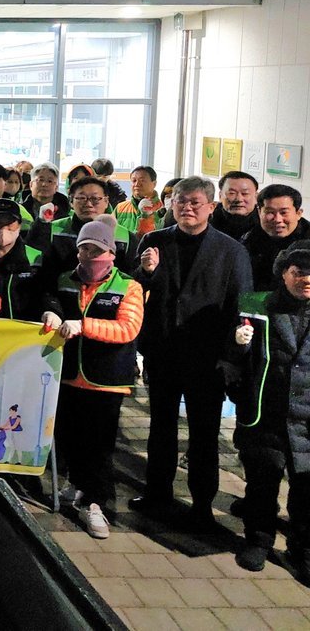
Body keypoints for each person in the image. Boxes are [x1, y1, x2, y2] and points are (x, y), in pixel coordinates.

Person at [131, 176, 253, 529]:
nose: (187, 208)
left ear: (211, 207)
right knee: (161, 427)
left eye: (195, 202)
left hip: (207, 358)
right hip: (163, 352)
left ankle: (202, 506)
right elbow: (134, 288)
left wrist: (231, 356)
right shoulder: (154, 240)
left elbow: (240, 305)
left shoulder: (231, 250)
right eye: (181, 201)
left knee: (204, 434)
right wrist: (146, 271)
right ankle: (157, 494)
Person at [41, 215, 144, 540]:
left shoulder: (128, 286)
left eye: (97, 250)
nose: (90, 256)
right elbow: (53, 302)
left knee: (99, 446)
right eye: (84, 248)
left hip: (106, 380)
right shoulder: (66, 279)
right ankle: (77, 484)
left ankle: (97, 503)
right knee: (70, 437)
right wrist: (51, 311)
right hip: (69, 376)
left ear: (111, 252)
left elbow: (128, 328)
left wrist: (84, 326)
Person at [229, 240, 310, 577]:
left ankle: (302, 549)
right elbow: (235, 356)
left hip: (306, 419)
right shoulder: (257, 305)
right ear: (284, 273)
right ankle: (258, 540)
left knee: (306, 489)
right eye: (299, 271)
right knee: (262, 482)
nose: (306, 279)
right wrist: (238, 347)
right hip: (265, 412)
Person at [29, 177, 139, 298]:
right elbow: (35, 260)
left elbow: (131, 276)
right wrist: (41, 224)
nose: (88, 204)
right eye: (81, 198)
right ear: (71, 201)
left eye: (95, 199)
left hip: (110, 302)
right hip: (60, 300)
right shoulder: (53, 229)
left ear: (106, 201)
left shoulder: (125, 237)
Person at [242, 184, 310, 291]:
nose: (277, 219)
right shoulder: (247, 239)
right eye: (270, 212)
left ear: (298, 213)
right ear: (259, 212)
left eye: (284, 212)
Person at [114, 165, 165, 236]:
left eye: (142, 180)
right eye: (134, 181)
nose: (137, 184)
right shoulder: (120, 207)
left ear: (154, 184)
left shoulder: (162, 208)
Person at [211, 171, 261, 240]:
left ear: (256, 197)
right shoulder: (206, 223)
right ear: (220, 196)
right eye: (232, 193)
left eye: (245, 193)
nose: (239, 199)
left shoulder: (265, 225)